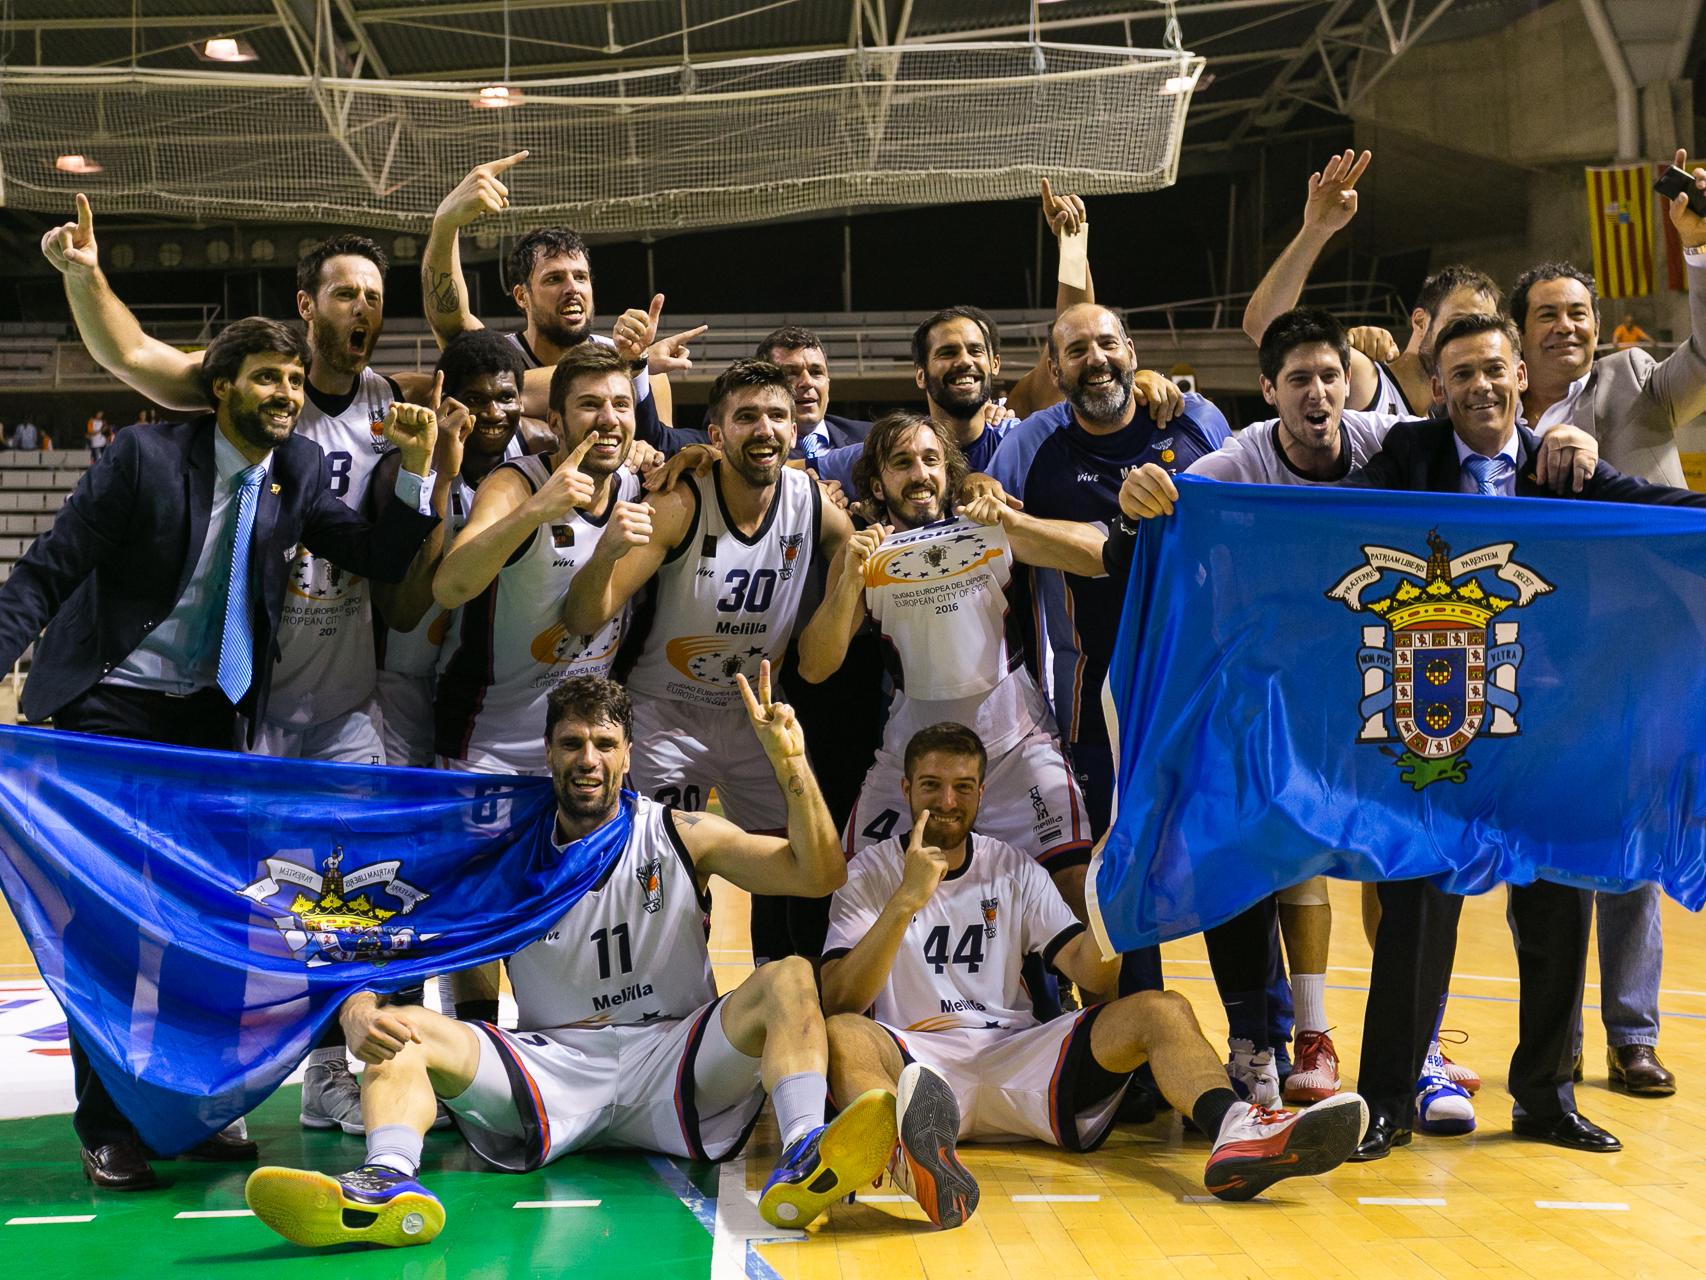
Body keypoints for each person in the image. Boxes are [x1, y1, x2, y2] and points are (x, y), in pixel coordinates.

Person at [1119, 311, 1706, 1159]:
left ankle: (1545, 1097)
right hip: (1440, 728)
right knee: (1417, 911)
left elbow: (1659, 516)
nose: (1481, 386)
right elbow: (1317, 525)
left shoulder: (1562, 467)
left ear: (1520, 377)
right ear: (1438, 389)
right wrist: (1182, 505)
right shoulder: (1406, 456)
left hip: (1550, 728)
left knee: (1557, 908)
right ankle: (1389, 1101)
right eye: (1461, 373)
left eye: (1494, 369)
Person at [0, 316, 440, 1190]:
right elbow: (47, 571)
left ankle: (189, 1109)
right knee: (114, 927)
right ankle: (107, 1125)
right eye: (268, 377)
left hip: (208, 720)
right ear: (220, 387)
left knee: (205, 925)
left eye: (293, 380)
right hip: (110, 709)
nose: (287, 394)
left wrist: (420, 469)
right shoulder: (143, 459)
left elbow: (380, 556)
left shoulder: (298, 469)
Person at [244, 669, 897, 1248]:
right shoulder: (505, 853)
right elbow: (391, 927)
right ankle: (387, 1181)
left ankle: (805, 1149)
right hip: (552, 1063)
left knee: (789, 976)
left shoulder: (679, 834)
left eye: (605, 744)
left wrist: (791, 764)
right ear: (548, 752)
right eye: (573, 743)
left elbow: (819, 874)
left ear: (628, 754)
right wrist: (357, 1009)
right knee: (401, 1031)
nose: (589, 759)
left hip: (675, 1054)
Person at [819, 722, 1368, 1227]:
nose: (947, 801)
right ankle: (910, 1156)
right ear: (906, 788)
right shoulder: (868, 873)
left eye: (963, 787)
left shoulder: (1011, 866)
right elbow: (840, 997)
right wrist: (904, 901)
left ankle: (1236, 1131)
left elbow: (1093, 976)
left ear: (982, 793)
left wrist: (1111, 904)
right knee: (842, 1034)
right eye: (932, 786)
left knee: (1162, 1009)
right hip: (917, 1062)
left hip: (1016, 1054)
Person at [1503, 149, 1706, 1097]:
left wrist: (1698, 252)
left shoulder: (1636, 379)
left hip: (1636, 653)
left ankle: (1632, 1034)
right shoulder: (1490, 409)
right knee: (1538, 856)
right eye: (1548, 314)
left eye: (1579, 312)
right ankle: (1552, 1041)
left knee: (1631, 848)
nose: (1569, 327)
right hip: (1534, 656)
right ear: (1519, 334)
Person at [562, 358, 853, 965]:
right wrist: (608, 554)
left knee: (800, 869)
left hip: (755, 717)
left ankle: (781, 990)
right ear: (715, 434)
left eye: (776, 416)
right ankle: (665, 999)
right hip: (665, 712)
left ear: (794, 429)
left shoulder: (810, 501)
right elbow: (587, 616)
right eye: (746, 417)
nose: (764, 429)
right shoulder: (681, 500)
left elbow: (852, 547)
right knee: (660, 873)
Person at [799, 411, 1101, 892]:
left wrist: (1014, 520)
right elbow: (814, 667)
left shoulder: (986, 527)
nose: (920, 474)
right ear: (877, 486)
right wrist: (849, 584)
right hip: (911, 760)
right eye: (902, 463)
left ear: (947, 471)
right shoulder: (864, 555)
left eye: (930, 460)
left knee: (1076, 888)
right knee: (856, 895)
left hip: (1015, 750)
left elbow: (1099, 555)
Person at [432, 342, 645, 776]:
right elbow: (449, 587)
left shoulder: (635, 485)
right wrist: (535, 511)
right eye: (590, 405)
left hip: (582, 748)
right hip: (488, 745)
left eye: (621, 404)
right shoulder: (516, 484)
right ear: (555, 422)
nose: (609, 418)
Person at [419, 152, 699, 445]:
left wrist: (636, 366)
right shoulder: (498, 358)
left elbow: (661, 457)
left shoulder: (646, 370)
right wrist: (446, 224)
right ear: (522, 296)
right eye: (554, 278)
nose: (572, 288)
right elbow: (449, 318)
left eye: (580, 277)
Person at [367, 330, 536, 771]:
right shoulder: (402, 468)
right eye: (475, 400)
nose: (494, 413)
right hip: (406, 671)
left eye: (506, 397)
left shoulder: (537, 451)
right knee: (406, 798)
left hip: (485, 673)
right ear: (446, 402)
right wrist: (442, 472)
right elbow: (404, 612)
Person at [1240, 149, 1500, 417]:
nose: (1470, 338)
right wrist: (1316, 230)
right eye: (1459, 322)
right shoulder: (1366, 380)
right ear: (1421, 321)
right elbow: (1263, 326)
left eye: (1482, 328)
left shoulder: (1444, 419)